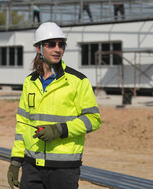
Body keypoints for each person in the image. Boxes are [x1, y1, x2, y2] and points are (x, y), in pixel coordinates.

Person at [7, 22, 102, 189]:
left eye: (61, 44)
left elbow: (93, 119)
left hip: (63, 169)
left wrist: (60, 130)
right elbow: (22, 124)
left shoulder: (78, 81)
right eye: (51, 44)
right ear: (39, 48)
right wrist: (15, 161)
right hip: (31, 167)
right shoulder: (30, 82)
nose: (57, 49)